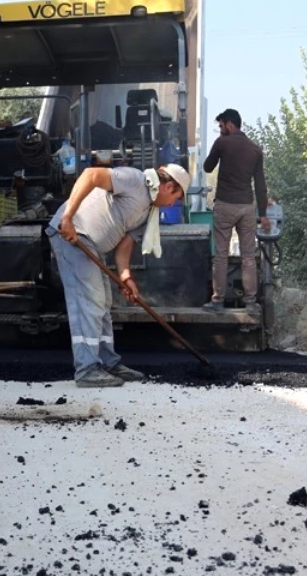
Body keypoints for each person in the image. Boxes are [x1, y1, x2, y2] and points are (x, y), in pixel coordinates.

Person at [50, 163, 191, 387]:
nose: (173, 204)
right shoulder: (134, 180)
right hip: (72, 235)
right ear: (169, 187)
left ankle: (107, 363)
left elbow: (124, 247)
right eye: (176, 197)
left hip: (92, 247)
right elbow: (91, 174)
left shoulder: (147, 213)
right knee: (90, 301)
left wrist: (126, 278)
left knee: (104, 303)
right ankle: (87, 369)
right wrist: (67, 217)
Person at [203, 109, 269, 308]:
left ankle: (217, 301)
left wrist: (218, 151)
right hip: (247, 207)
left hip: (225, 205)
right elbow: (260, 185)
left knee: (221, 256)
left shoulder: (222, 143)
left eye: (221, 126)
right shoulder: (255, 149)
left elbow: (207, 167)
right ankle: (250, 302)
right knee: (248, 256)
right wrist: (263, 214)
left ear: (230, 124)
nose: (220, 130)